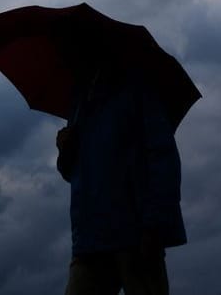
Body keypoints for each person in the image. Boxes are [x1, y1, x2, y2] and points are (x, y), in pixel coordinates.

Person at [56, 54, 186, 295]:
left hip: (136, 233)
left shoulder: (136, 89)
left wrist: (155, 223)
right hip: (90, 238)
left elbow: (162, 155)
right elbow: (75, 172)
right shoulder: (80, 101)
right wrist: (65, 152)